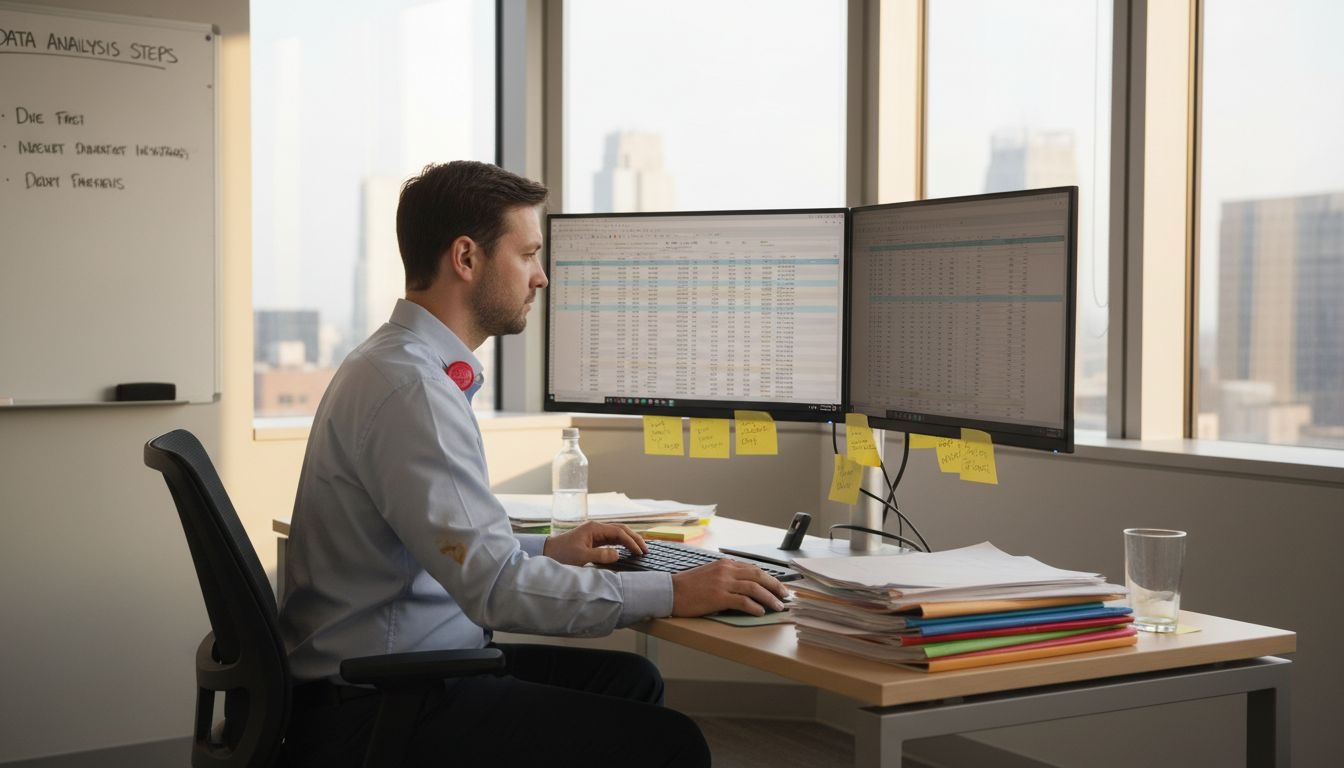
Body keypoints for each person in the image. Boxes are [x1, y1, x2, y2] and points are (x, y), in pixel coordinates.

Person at [279, 160, 789, 768]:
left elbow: (454, 545)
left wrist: (546, 550)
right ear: (466, 258)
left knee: (632, 683)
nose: (541, 278)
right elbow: (496, 591)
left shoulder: (392, 363)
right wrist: (673, 590)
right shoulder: (414, 390)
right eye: (527, 255)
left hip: (383, 675)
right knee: (671, 744)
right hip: (379, 705)